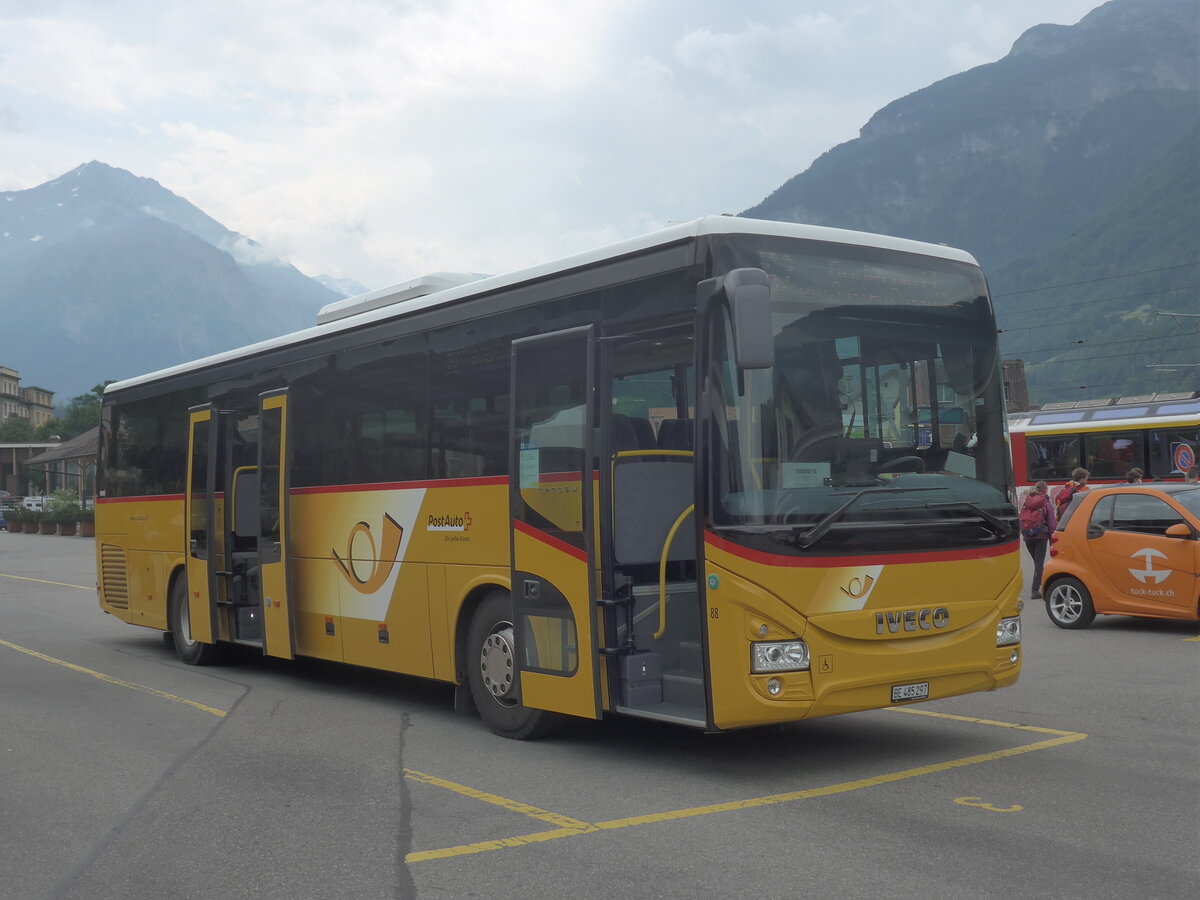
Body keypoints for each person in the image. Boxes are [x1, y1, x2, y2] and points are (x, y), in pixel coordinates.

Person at [1020, 481, 1057, 600]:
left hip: (1027, 535)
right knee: (1039, 563)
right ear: (1045, 490)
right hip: (1041, 535)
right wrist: (1054, 538)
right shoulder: (1045, 503)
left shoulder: (1027, 500)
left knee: (1037, 563)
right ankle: (1035, 590)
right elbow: (1051, 523)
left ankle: (1041, 586)